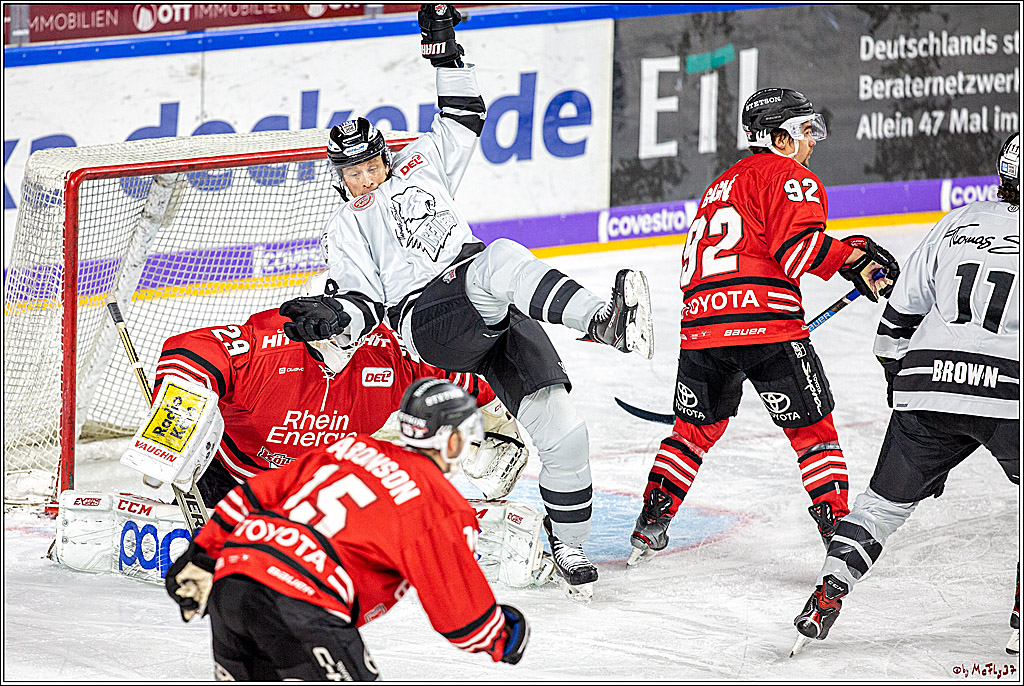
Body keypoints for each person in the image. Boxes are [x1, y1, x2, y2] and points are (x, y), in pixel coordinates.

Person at [277, 4, 654, 599]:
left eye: (372, 165)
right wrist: (333, 317)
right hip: (427, 320)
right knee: (499, 260)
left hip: (487, 304)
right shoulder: (344, 225)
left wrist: (443, 44)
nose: (366, 180)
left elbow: (464, 112)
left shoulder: (423, 165)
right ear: (338, 175)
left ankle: (571, 547)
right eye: (353, 173)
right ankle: (603, 321)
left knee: (563, 431)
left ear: (385, 156)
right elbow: (360, 303)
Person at [627, 88, 900, 566]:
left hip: (701, 329)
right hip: (766, 328)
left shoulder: (720, 185)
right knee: (814, 433)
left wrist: (844, 255)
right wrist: (851, 256)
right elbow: (797, 252)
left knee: (692, 433)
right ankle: (837, 529)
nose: (812, 141)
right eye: (804, 131)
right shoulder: (791, 176)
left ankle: (652, 518)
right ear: (779, 137)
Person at [793, 133, 1020, 656]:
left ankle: (827, 594)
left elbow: (895, 325)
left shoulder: (959, 222)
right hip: (1010, 393)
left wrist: (917, 407)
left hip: (925, 385)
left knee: (878, 509)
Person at [164, 378, 530, 680]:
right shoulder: (441, 505)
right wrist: (504, 635)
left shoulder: (351, 448)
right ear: (453, 440)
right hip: (302, 605)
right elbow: (461, 620)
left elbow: (252, 496)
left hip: (232, 583)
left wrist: (202, 553)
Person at [142, 272, 527, 509]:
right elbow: (190, 349)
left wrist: (500, 425)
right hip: (230, 479)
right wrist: (174, 426)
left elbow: (469, 379)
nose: (342, 341)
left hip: (320, 494)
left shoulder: (386, 359)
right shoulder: (267, 347)